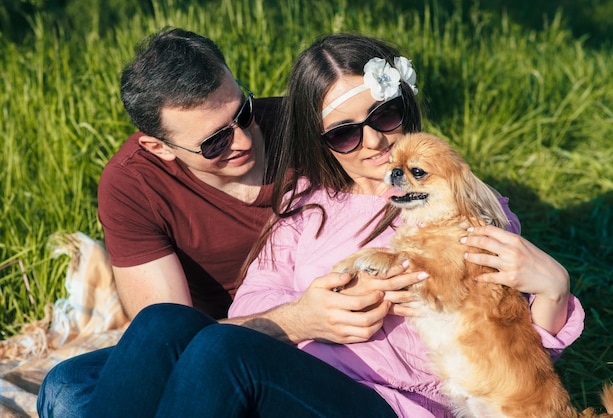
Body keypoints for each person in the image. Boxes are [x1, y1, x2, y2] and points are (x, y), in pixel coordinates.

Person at [68, 33, 584, 417]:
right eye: (344, 135)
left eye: (385, 116)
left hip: (389, 401)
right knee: (158, 329)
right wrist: (305, 313)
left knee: (218, 354)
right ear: (321, 142)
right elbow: (249, 308)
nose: (377, 143)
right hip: (296, 377)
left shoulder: (452, 197)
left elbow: (506, 337)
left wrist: (554, 291)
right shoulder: (305, 205)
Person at [37, 29, 423, 417]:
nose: (243, 139)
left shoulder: (315, 132)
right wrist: (298, 320)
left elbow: (417, 165)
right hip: (238, 332)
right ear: (160, 148)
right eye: (215, 142)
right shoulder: (136, 184)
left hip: (312, 369)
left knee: (208, 358)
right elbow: (173, 333)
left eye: (242, 113)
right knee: (71, 385)